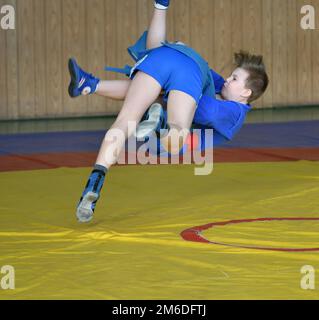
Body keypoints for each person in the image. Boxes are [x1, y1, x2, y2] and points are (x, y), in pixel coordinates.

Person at [68, 0, 269, 223]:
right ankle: (161, 123)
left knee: (125, 120)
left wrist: (179, 55)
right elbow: (204, 101)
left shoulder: (235, 113)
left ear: (246, 93)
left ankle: (95, 176)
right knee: (178, 132)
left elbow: (209, 108)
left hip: (167, 57)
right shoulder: (225, 99)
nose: (228, 80)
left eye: (234, 79)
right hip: (186, 72)